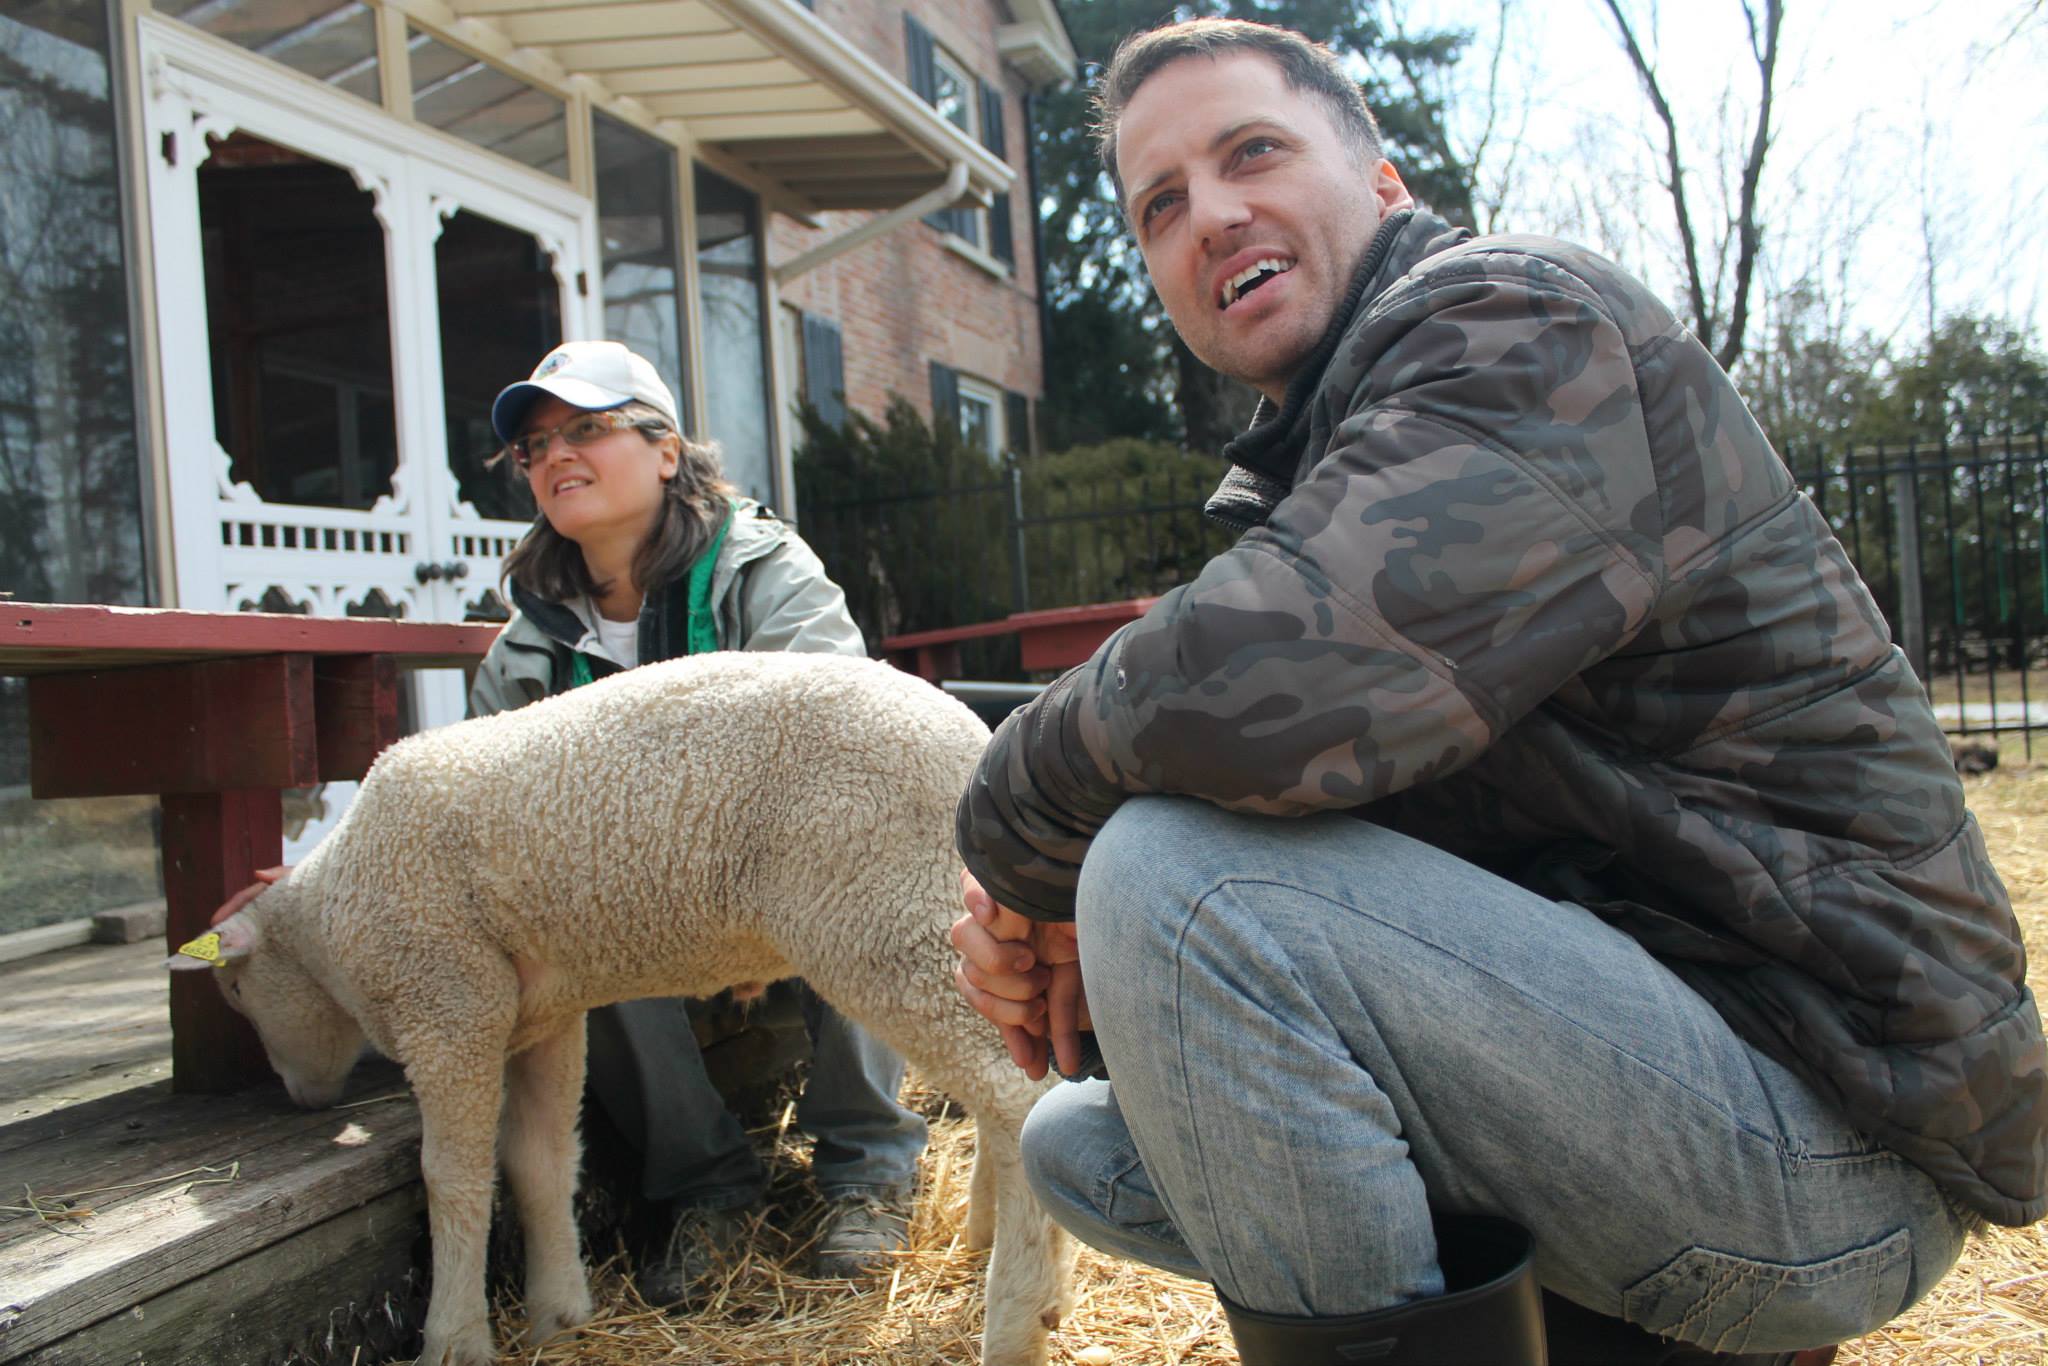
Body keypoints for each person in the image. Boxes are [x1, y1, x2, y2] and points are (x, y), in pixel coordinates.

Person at [948, 19, 2047, 1366]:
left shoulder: (1522, 328)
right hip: (1657, 1068)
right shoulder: (1345, 459)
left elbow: (1264, 679)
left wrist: (1020, 844)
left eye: (1253, 153)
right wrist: (1087, 970)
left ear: (1385, 180)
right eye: (1160, 204)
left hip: (1829, 1121)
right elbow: (1326, 947)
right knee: (1086, 1139)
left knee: (1177, 874)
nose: (1212, 215)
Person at [224, 340, 926, 1300]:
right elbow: (469, 830)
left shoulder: (765, 570)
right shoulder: (525, 644)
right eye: (536, 446)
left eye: (588, 429)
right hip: (655, 916)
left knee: (843, 868)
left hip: (773, 861)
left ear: (667, 450)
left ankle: (866, 1173)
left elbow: (847, 732)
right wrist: (312, 883)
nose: (557, 456)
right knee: (571, 917)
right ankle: (706, 1195)